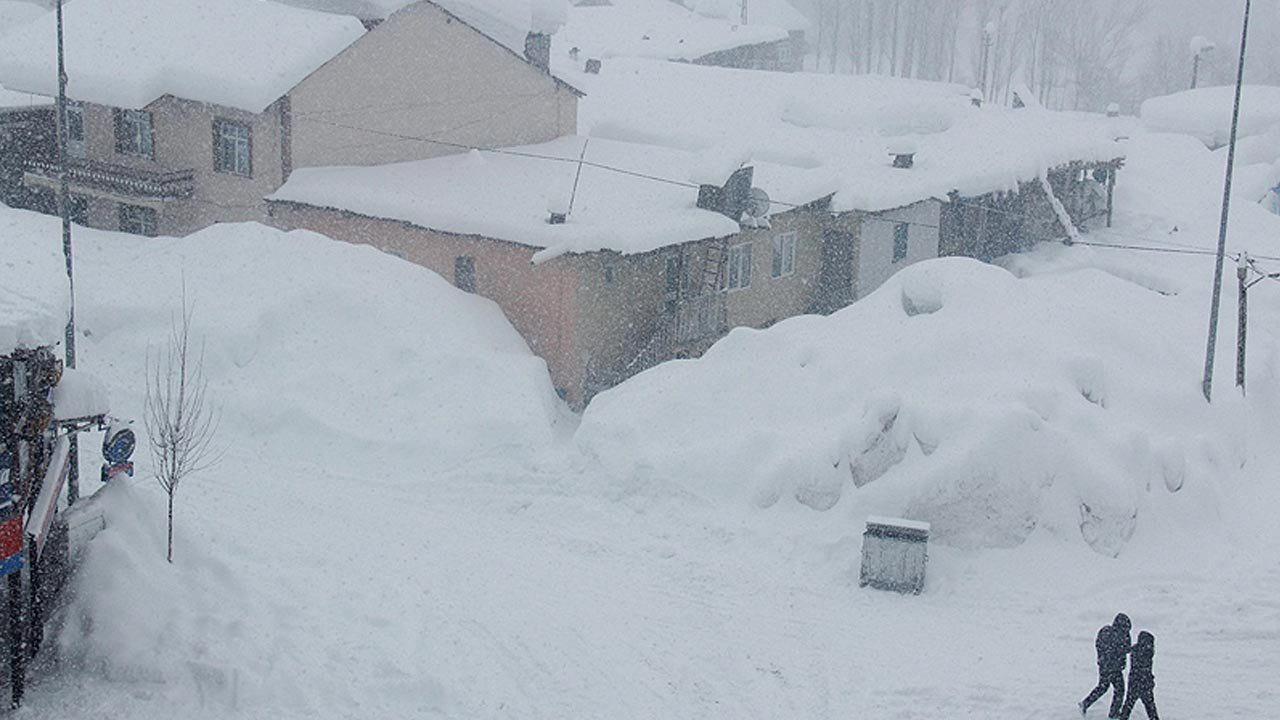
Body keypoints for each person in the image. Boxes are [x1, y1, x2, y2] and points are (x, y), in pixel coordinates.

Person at [1080, 613, 1132, 717]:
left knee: (1102, 687)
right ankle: (1113, 713)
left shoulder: (1105, 631)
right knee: (1119, 690)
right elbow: (1125, 649)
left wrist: (1103, 658)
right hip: (1114, 668)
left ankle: (1086, 703)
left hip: (1104, 666)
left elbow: (1098, 644)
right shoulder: (1121, 635)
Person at [1119, 631, 1159, 720]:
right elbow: (1146, 669)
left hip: (1133, 682)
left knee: (1128, 705)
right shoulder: (1148, 651)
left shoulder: (1135, 650)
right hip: (1145, 683)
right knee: (1150, 707)